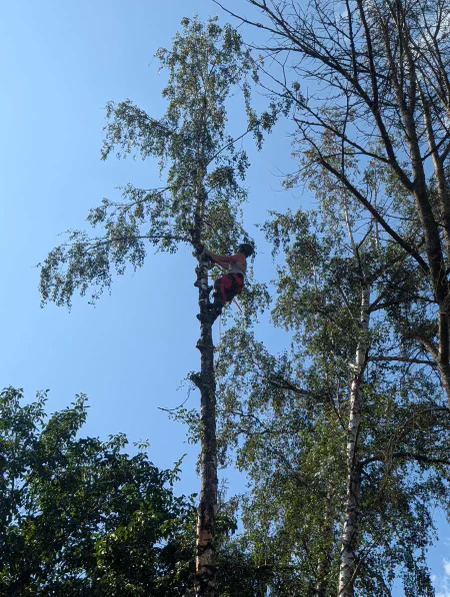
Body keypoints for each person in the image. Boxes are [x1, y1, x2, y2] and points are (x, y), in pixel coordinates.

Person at [201, 243, 254, 320]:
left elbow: (225, 259)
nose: (238, 251)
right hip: (236, 285)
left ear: (242, 249)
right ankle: (211, 317)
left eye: (239, 249)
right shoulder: (240, 262)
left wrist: (209, 253)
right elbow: (225, 266)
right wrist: (214, 259)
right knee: (221, 297)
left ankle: (216, 308)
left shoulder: (241, 256)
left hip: (235, 280)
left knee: (219, 284)